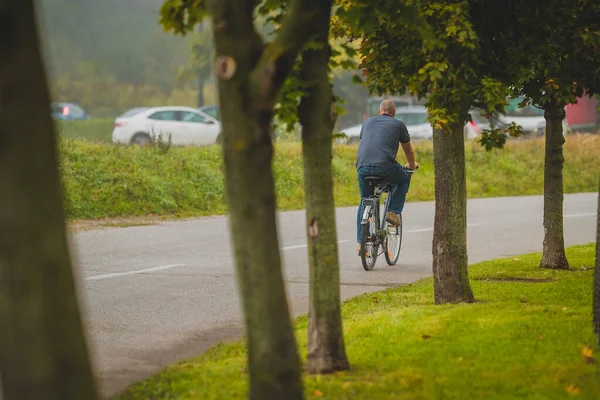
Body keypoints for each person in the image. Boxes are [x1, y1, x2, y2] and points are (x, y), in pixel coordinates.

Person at [356, 99, 419, 254]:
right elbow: (408, 149)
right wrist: (411, 164)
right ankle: (393, 211)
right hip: (385, 166)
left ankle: (361, 242)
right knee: (403, 179)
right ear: (394, 112)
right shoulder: (398, 124)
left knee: (365, 200)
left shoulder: (367, 123)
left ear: (379, 111)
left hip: (362, 167)